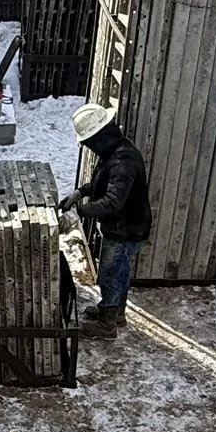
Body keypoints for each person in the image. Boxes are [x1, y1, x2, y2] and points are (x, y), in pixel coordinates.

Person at [59, 102, 150, 327]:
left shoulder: (123, 161)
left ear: (100, 136)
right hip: (125, 226)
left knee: (110, 274)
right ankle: (113, 311)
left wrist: (78, 213)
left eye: (90, 143)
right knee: (119, 271)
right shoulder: (116, 151)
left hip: (126, 230)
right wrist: (81, 192)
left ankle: (107, 324)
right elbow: (104, 183)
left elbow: (112, 202)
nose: (90, 148)